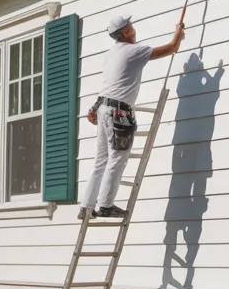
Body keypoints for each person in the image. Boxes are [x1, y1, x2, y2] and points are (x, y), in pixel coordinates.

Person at [78, 15, 185, 220]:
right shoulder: (133, 51)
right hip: (118, 112)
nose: (134, 28)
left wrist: (94, 108)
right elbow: (171, 48)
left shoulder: (109, 55)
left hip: (104, 107)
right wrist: (178, 35)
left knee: (101, 160)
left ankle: (86, 206)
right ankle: (105, 205)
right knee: (117, 157)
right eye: (131, 26)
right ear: (126, 32)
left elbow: (108, 86)